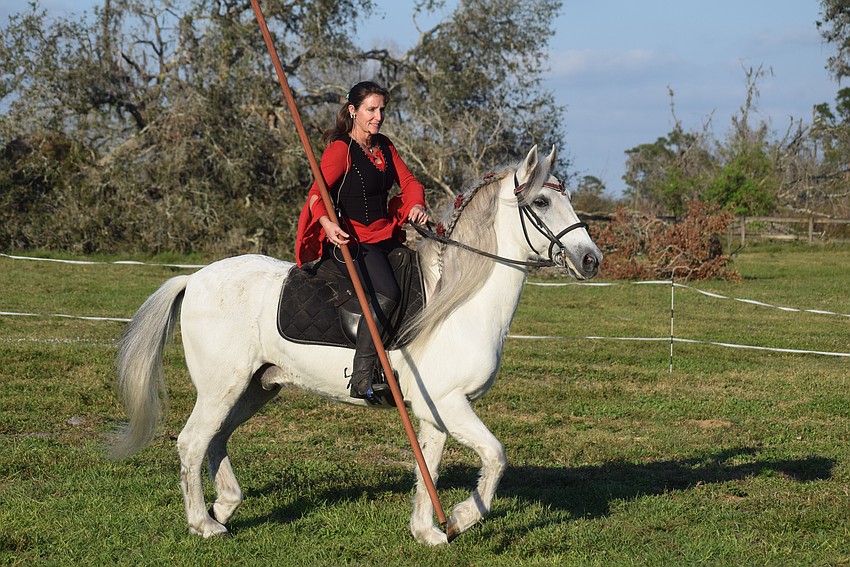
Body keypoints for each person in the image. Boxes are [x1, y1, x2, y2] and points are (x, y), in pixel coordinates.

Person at [295, 81, 429, 404]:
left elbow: (408, 181)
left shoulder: (385, 146)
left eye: (381, 109)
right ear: (353, 111)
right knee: (388, 292)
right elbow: (317, 193)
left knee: (416, 277)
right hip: (352, 241)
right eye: (371, 109)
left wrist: (416, 204)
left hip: (385, 235)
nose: (378, 116)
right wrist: (327, 223)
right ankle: (362, 375)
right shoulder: (341, 149)